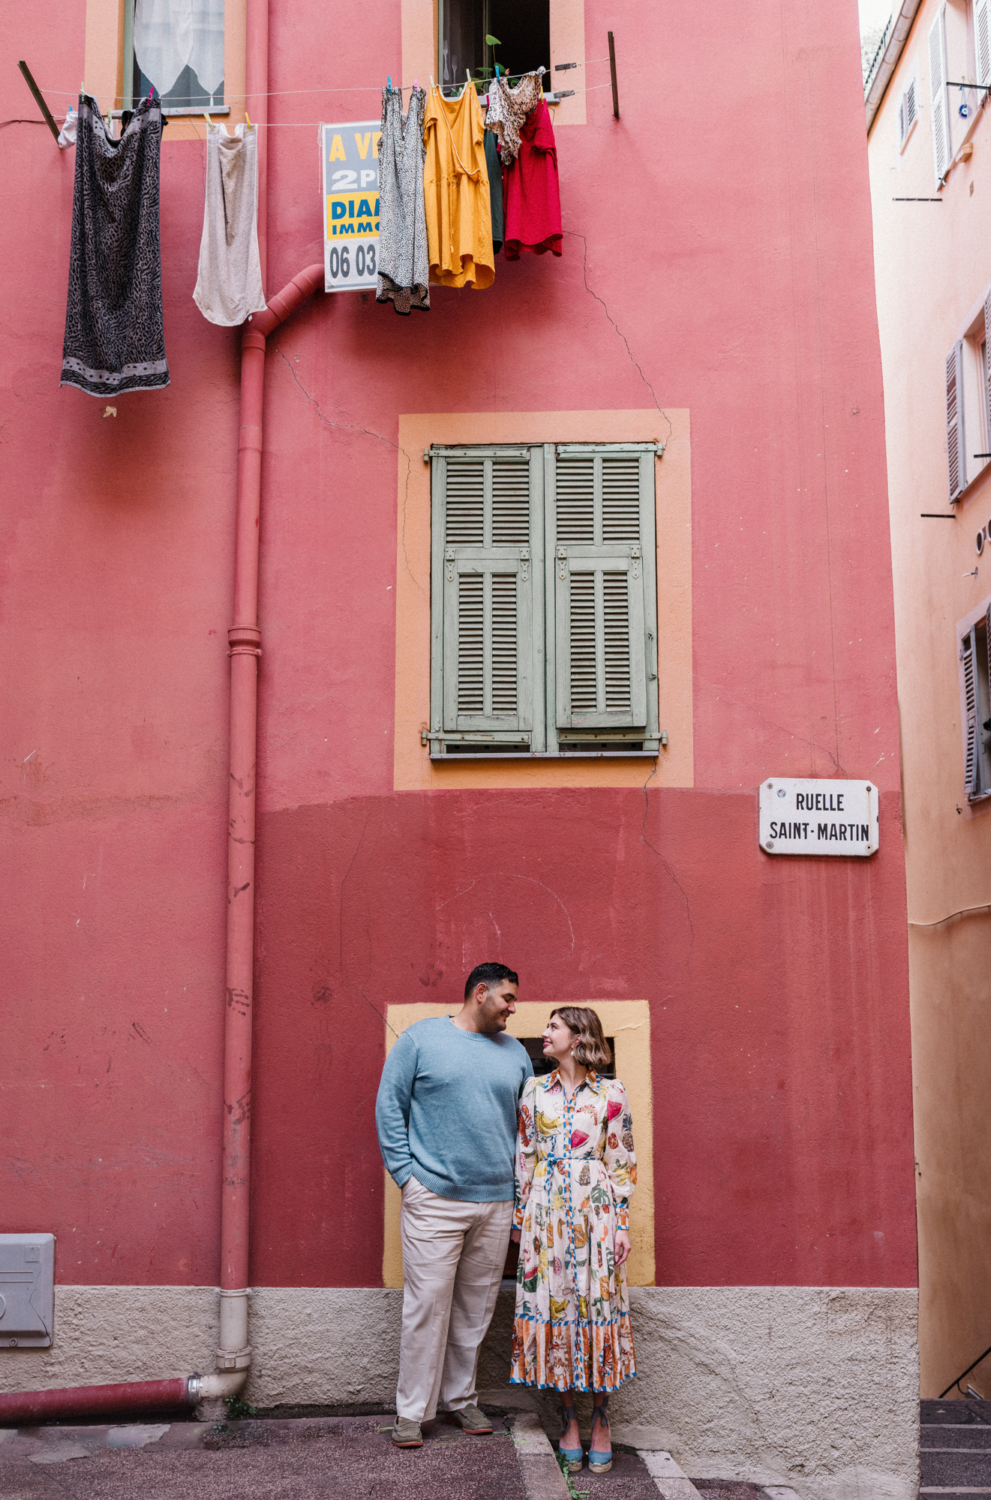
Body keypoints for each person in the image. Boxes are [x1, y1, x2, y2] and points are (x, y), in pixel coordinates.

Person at [375, 961, 533, 1449]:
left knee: (474, 1309)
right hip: (434, 1199)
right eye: (507, 999)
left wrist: (519, 1199)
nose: (513, 1009)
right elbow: (389, 1106)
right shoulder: (420, 1040)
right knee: (426, 1307)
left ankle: (462, 1399)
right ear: (480, 992)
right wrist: (408, 1177)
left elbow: (528, 1129)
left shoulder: (516, 1056)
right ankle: (411, 1413)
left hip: (496, 1202)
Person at [510, 1007, 637, 1475]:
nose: (544, 1034)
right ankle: (568, 1419)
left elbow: (622, 1160)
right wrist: (521, 1221)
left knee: (597, 1305)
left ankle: (601, 1416)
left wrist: (621, 1222)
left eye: (553, 1028)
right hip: (545, 1213)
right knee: (555, 1304)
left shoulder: (611, 1092)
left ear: (578, 1037)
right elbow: (524, 1157)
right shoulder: (533, 1091)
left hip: (596, 1210)